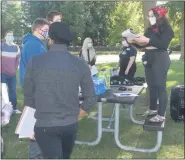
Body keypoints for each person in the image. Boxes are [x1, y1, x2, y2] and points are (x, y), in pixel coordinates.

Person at [23, 22, 97, 159]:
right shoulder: (80, 63)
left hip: (44, 125)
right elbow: (91, 98)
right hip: (69, 125)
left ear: (50, 40)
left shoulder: (35, 61)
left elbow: (29, 98)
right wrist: (76, 115)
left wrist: (28, 125)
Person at [129, 7, 174, 122]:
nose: (149, 18)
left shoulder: (167, 29)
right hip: (148, 57)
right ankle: (153, 109)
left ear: (159, 16)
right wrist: (134, 41)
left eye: (152, 16)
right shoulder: (149, 30)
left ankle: (161, 115)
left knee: (160, 86)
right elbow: (142, 46)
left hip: (160, 58)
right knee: (151, 86)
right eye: (149, 16)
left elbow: (163, 44)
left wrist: (148, 41)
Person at [19, 18, 50, 159]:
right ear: (38, 29)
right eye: (46, 30)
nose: (47, 33)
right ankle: (35, 156)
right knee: (33, 126)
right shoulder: (33, 45)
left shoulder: (36, 43)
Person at [1, 30, 21, 114]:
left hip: (12, 74)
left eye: (11, 35)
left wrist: (15, 69)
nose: (10, 37)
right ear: (5, 37)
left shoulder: (16, 47)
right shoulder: (1, 46)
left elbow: (18, 59)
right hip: (3, 73)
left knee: (13, 91)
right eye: (8, 35)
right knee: (3, 91)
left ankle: (14, 108)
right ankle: (4, 110)